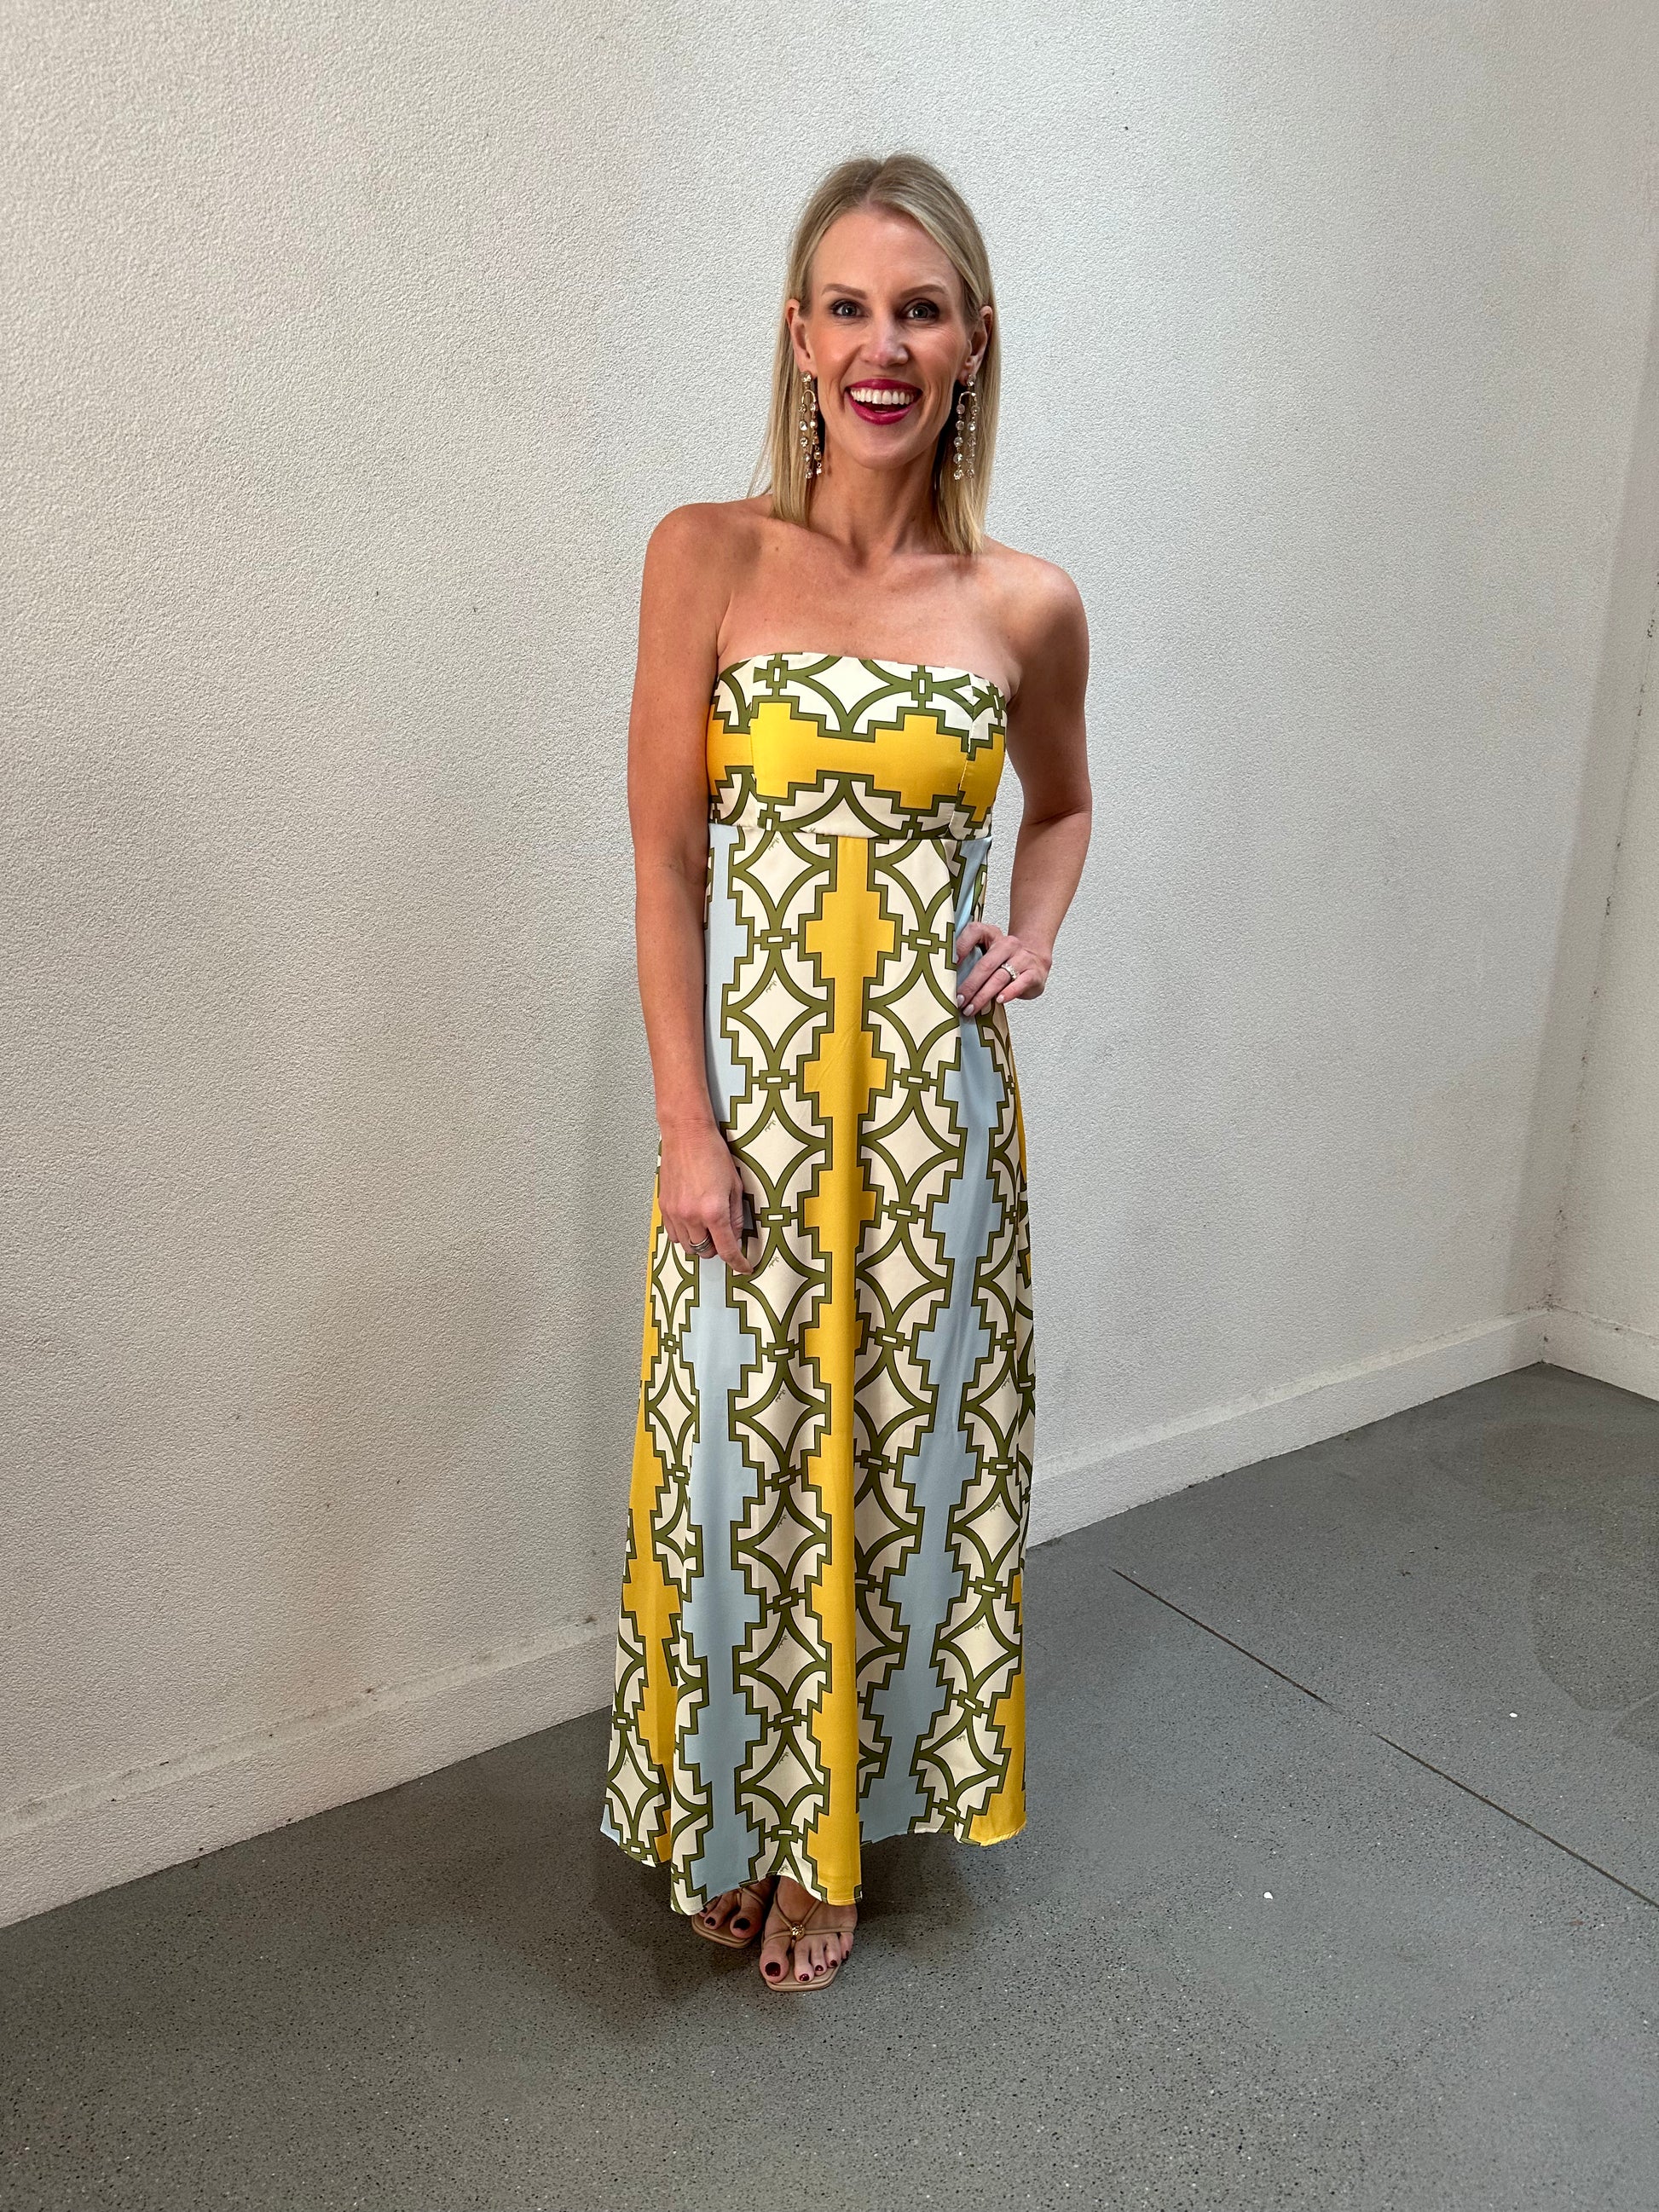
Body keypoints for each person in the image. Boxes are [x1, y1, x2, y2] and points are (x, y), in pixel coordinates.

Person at [599, 150, 1092, 1991]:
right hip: (747, 1119)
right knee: (735, 1465)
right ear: (799, 336)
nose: (883, 345)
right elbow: (663, 858)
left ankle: (834, 1849)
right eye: (850, 307)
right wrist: (686, 1126)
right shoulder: (705, 555)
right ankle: (732, 1808)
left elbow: (1067, 803)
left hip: (934, 1135)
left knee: (897, 1472)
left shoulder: (1024, 602)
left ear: (974, 344)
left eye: (921, 310)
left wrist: (1031, 929)